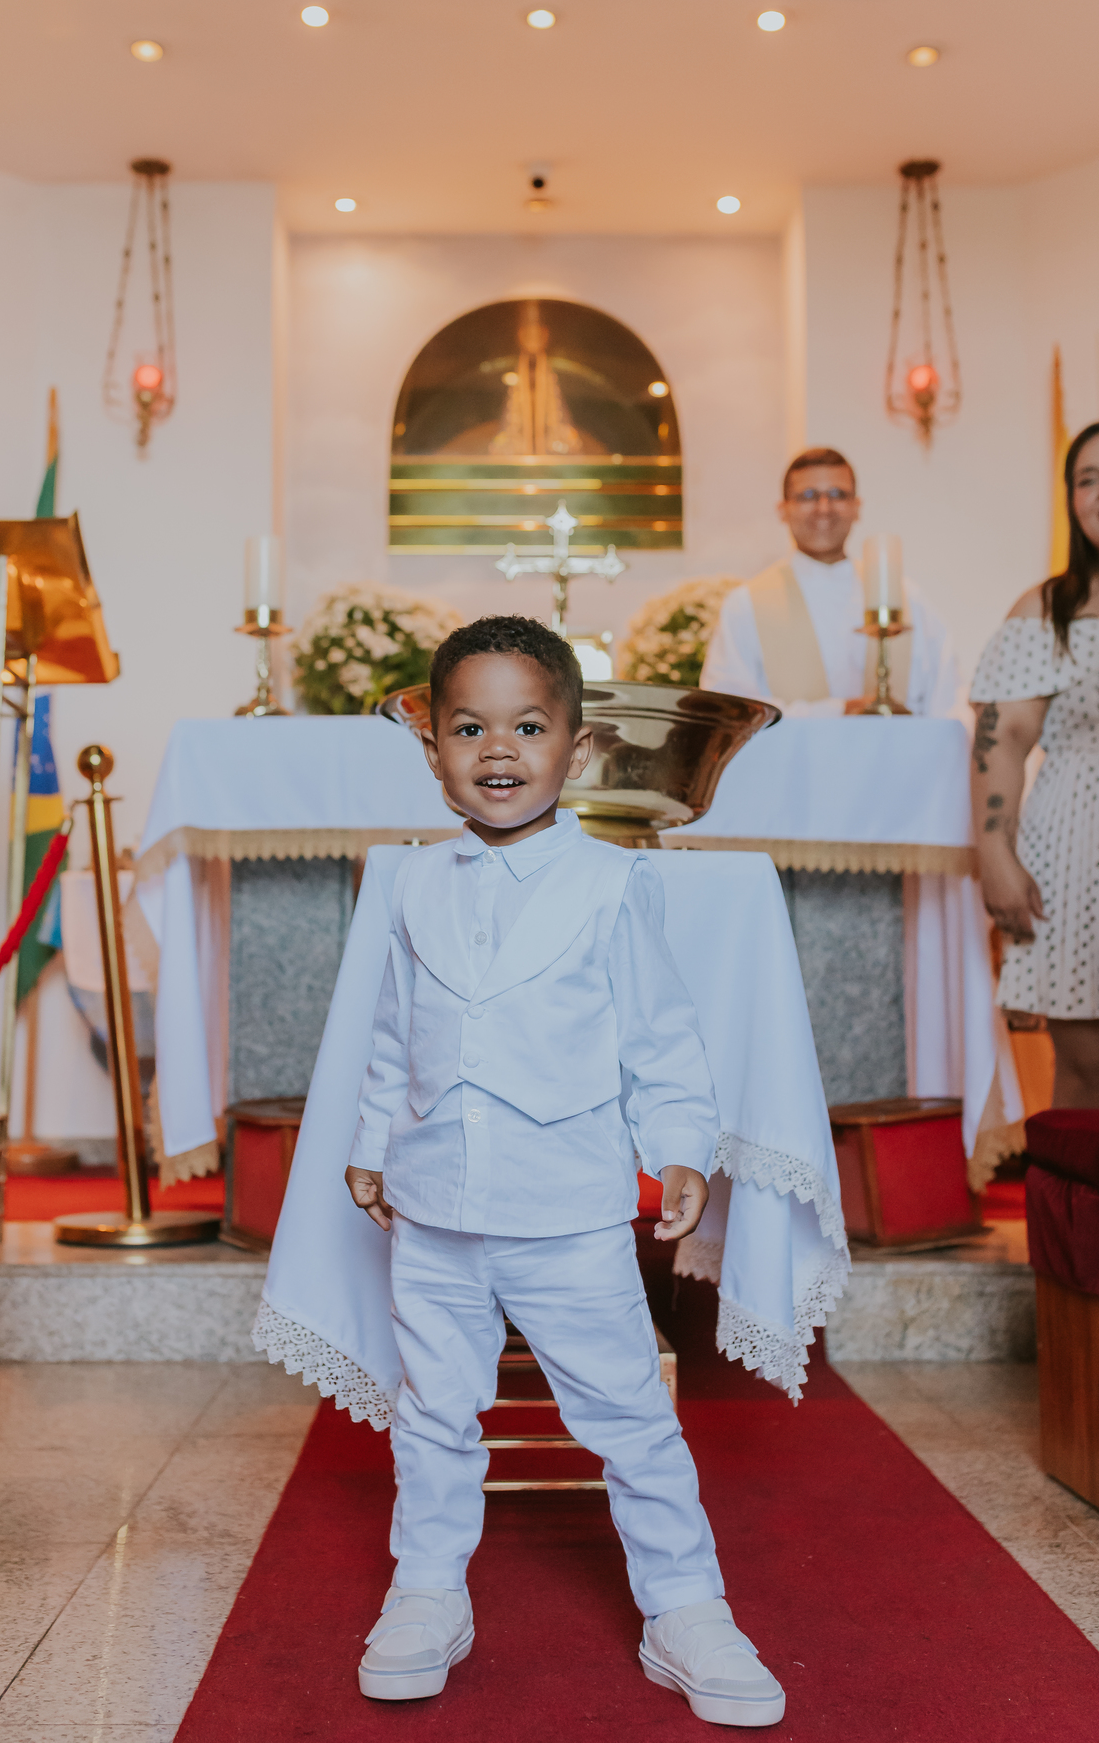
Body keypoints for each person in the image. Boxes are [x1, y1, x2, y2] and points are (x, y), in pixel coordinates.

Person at [343, 614, 786, 1727]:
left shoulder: (610, 883)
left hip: (566, 1209)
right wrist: (367, 1146)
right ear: (434, 747)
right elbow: (392, 1036)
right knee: (435, 1412)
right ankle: (428, 1590)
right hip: (436, 1204)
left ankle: (685, 1608)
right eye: (470, 728)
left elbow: (661, 1037)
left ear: (577, 749)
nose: (499, 750)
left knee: (629, 1414)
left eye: (528, 726)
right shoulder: (408, 885)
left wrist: (680, 1146)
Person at [970, 420, 1099, 1108]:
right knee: (1085, 1068)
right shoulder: (1047, 610)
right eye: (1086, 479)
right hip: (1079, 845)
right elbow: (1004, 740)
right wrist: (995, 856)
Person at [700, 446, 963, 717]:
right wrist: (838, 711)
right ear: (783, 510)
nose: (823, 508)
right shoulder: (746, 607)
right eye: (808, 496)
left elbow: (948, 699)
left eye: (838, 495)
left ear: (857, 507)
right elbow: (730, 711)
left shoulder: (909, 599)